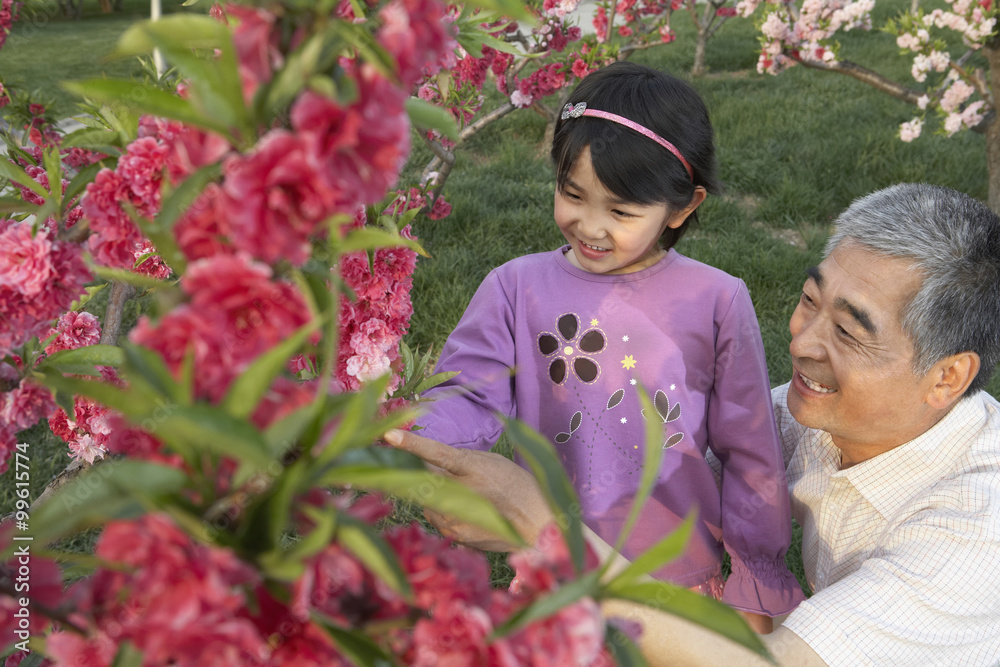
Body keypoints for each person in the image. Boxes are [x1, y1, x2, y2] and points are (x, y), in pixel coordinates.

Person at [386, 182, 1000, 665]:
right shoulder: (809, 416)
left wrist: (541, 526)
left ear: (947, 377)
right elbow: (692, 473)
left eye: (847, 331)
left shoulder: (973, 532)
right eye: (810, 300)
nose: (805, 344)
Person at [414, 60, 804, 632]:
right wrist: (413, 436)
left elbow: (751, 453)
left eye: (621, 211)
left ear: (683, 207)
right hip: (556, 564)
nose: (590, 226)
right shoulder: (515, 288)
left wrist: (754, 582)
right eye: (573, 194)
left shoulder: (717, 300)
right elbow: (470, 394)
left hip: (676, 572)